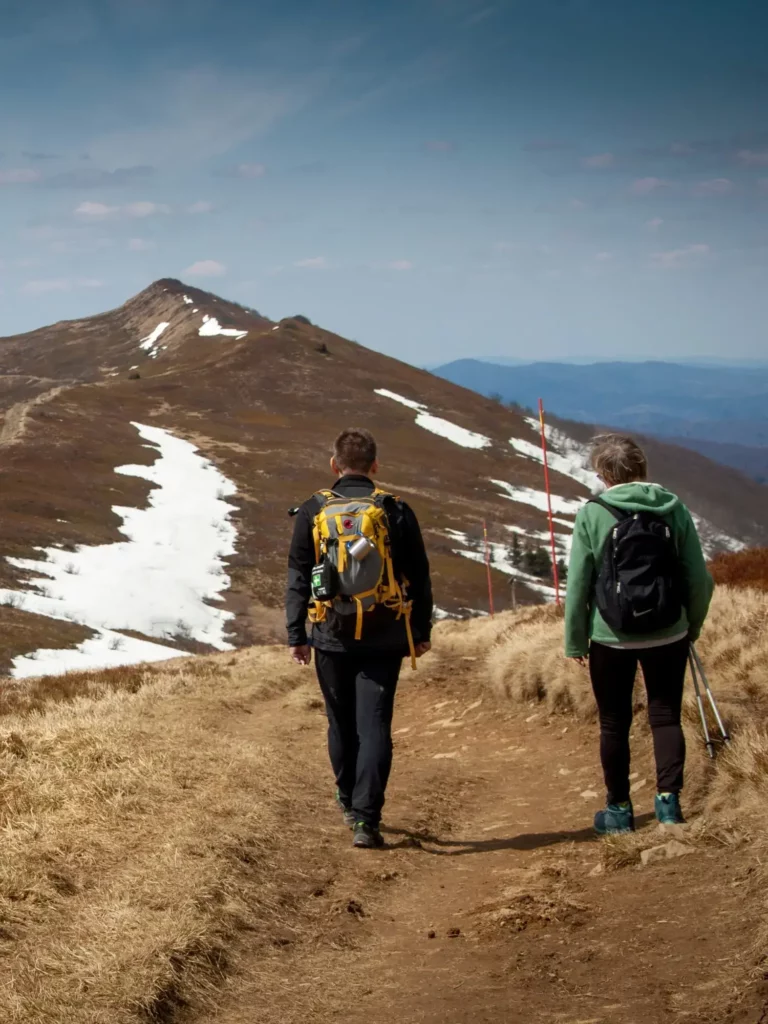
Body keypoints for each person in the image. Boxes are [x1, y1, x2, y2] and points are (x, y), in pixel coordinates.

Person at [286, 428, 433, 849]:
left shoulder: (314, 509)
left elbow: (299, 576)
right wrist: (420, 631)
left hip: (330, 636)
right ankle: (367, 821)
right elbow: (419, 575)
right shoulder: (394, 509)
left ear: (334, 465)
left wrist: (297, 634)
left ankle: (349, 802)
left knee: (340, 723)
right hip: (385, 635)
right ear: (375, 465)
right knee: (375, 725)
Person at [565, 434, 714, 835]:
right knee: (665, 716)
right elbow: (699, 579)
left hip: (610, 636)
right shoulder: (673, 508)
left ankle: (618, 811)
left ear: (603, 474)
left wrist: (576, 641)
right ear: (643, 468)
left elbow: (578, 583)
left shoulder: (593, 513)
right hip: (669, 632)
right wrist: (690, 626)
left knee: (614, 722)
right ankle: (669, 806)